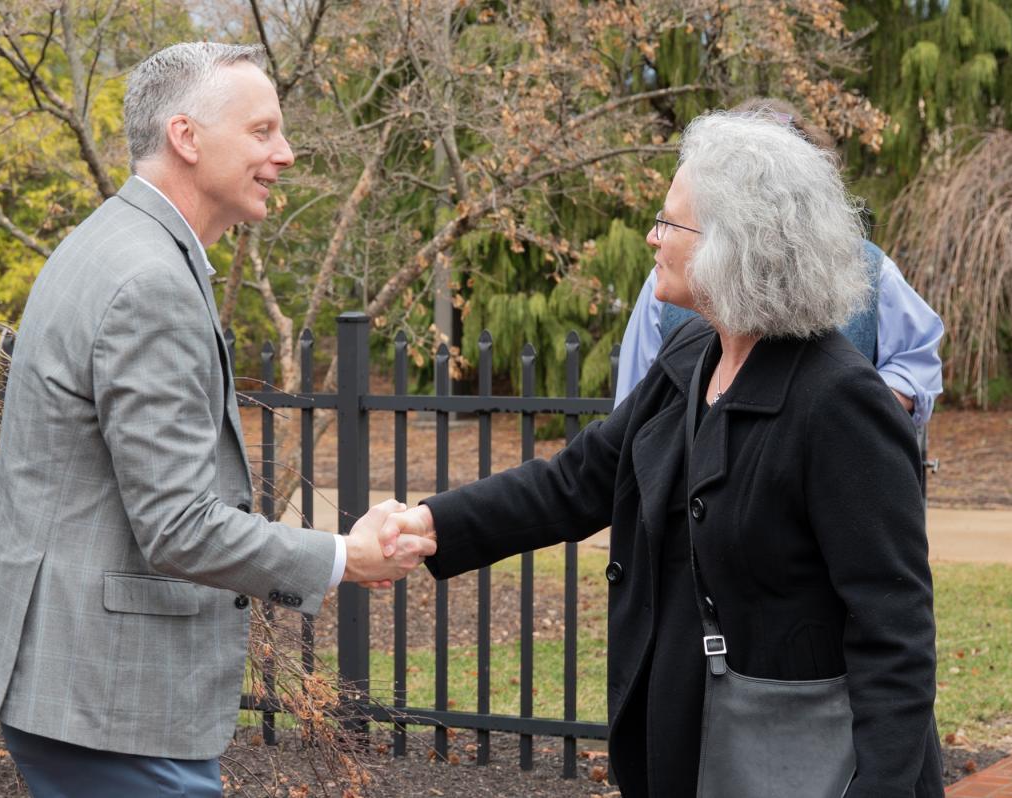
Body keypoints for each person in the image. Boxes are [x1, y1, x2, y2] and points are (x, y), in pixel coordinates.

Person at [380, 112, 943, 797]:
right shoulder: (690, 357)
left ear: (733, 247)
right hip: (691, 744)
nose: (652, 236)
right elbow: (574, 482)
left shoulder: (840, 402)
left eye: (670, 223)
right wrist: (430, 525)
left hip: (808, 764)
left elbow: (896, 630)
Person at [0, 42, 433, 797]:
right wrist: (346, 555)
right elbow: (177, 524)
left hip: (71, 684)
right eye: (262, 131)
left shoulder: (109, 243)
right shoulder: (150, 281)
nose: (286, 152)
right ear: (187, 136)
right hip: (108, 702)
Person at [614, 98, 944, 427]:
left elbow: (916, 360)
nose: (654, 237)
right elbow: (632, 404)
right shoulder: (669, 277)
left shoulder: (867, 267)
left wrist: (854, 412)